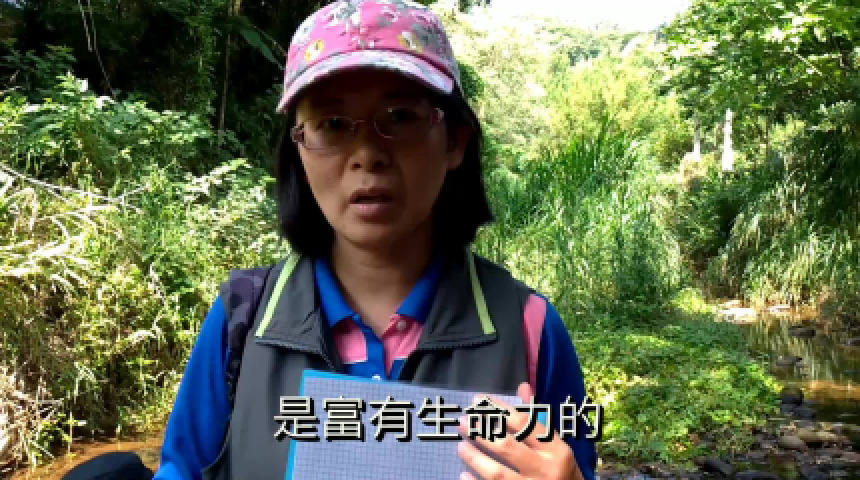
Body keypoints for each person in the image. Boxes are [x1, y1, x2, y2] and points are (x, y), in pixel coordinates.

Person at [63, 1, 597, 479]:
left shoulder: (529, 330)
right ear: (299, 148)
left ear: (454, 140)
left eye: (400, 117)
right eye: (333, 124)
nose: (367, 154)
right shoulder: (239, 325)